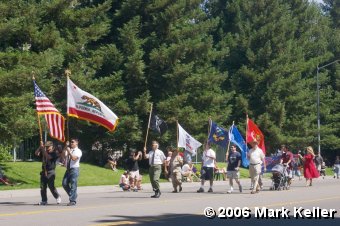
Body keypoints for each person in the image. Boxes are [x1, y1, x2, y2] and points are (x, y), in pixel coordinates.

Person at [35, 141, 61, 205]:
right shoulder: (44, 152)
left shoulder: (54, 153)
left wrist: (43, 149)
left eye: (48, 146)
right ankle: (44, 200)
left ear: (52, 146)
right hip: (43, 171)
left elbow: (48, 157)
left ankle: (57, 196)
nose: (47, 148)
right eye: (46, 146)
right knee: (42, 187)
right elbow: (36, 153)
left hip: (51, 172)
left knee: (51, 186)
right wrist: (40, 147)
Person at [62, 138, 82, 206]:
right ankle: (74, 195)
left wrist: (69, 151)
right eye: (70, 142)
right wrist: (65, 147)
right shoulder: (69, 149)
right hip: (68, 169)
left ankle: (72, 200)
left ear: (77, 143)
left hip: (74, 169)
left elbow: (74, 158)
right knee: (64, 183)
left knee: (73, 185)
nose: (71, 143)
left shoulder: (78, 151)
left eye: (73, 142)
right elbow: (62, 155)